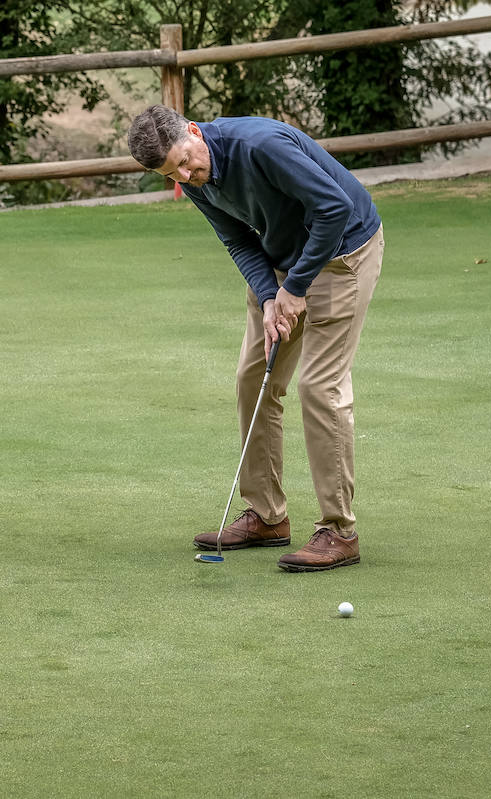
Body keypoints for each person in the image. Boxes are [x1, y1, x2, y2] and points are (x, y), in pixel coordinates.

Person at [127, 105, 384, 572]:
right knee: (253, 379)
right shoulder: (193, 181)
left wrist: (296, 287)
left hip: (344, 252)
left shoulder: (259, 146)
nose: (186, 175)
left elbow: (334, 207)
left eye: (185, 160)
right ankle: (267, 516)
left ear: (192, 130)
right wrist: (270, 298)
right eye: (173, 174)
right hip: (284, 263)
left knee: (319, 388)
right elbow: (238, 240)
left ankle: (339, 531)